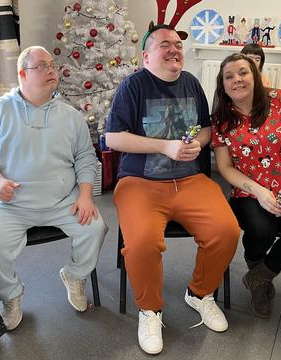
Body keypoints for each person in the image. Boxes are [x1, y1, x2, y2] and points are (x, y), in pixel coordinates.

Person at [105, 24, 240, 355]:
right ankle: (150, 310)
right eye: (165, 44)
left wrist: (196, 142)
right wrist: (164, 146)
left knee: (227, 231)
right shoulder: (132, 86)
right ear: (147, 55)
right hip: (140, 182)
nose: (174, 49)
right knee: (142, 244)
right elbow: (112, 139)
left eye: (178, 45)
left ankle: (199, 293)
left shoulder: (192, 84)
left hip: (190, 180)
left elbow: (204, 129)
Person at [0, 46, 107, 331]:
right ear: (22, 74)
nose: (51, 71)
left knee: (95, 228)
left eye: (53, 65)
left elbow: (85, 157)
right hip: (9, 203)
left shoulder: (71, 116)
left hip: (61, 200)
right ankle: (11, 296)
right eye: (42, 66)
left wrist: (84, 195)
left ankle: (74, 275)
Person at [211, 53, 281, 319]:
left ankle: (260, 276)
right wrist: (259, 192)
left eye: (243, 72)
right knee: (261, 229)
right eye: (229, 76)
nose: (237, 79)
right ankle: (259, 271)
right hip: (249, 189)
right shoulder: (221, 120)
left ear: (255, 76)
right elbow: (225, 167)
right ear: (223, 86)